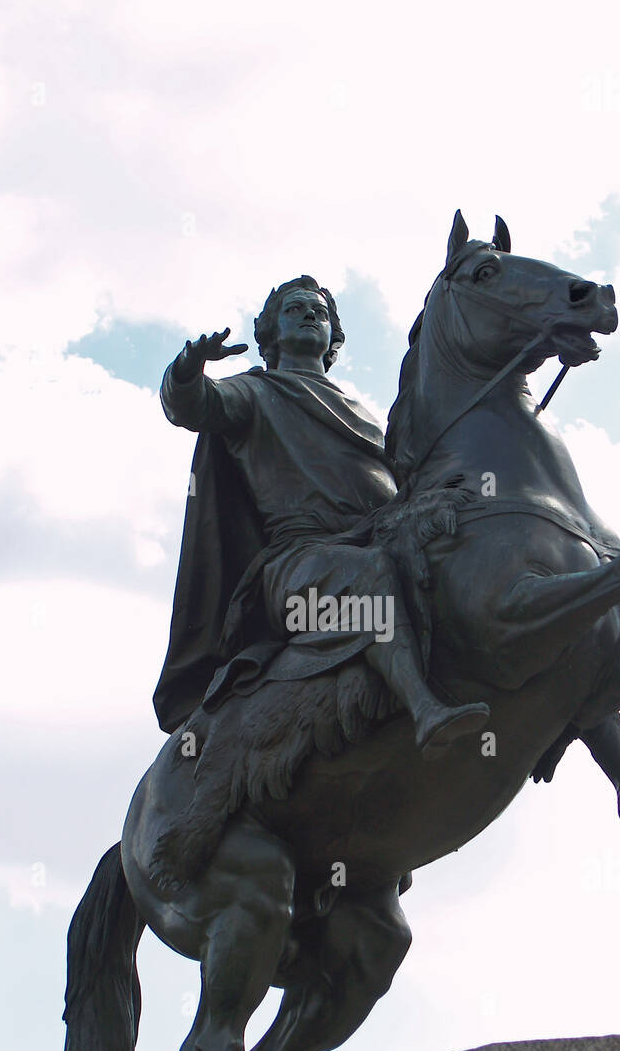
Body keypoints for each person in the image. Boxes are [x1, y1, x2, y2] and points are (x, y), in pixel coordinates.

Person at [153, 275, 489, 757]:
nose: (311, 315)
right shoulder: (253, 392)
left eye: (321, 312)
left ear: (333, 337)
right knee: (367, 573)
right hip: (297, 566)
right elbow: (190, 404)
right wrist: (187, 369)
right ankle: (425, 709)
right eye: (295, 309)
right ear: (270, 334)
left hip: (378, 539)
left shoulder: (367, 414)